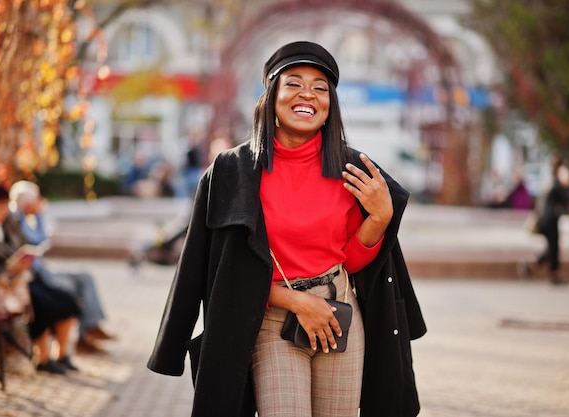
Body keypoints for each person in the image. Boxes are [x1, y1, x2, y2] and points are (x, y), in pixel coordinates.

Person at [147, 41, 426, 417]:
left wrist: (378, 219)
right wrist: (296, 301)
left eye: (320, 87)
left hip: (339, 315)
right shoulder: (234, 171)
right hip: (269, 320)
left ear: (330, 106)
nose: (307, 93)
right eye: (293, 83)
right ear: (271, 95)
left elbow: (355, 261)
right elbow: (213, 268)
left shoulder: (354, 170)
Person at [0, 183, 80, 374]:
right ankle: (43, 358)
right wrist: (8, 268)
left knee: (67, 299)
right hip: (4, 285)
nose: (3, 212)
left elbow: (27, 243)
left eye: (5, 207)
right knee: (42, 304)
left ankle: (63, 354)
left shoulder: (8, 221)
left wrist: (23, 258)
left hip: (24, 277)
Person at [9, 180, 115, 353]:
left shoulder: (27, 218)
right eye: (37, 199)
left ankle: (90, 326)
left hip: (43, 271)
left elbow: (43, 242)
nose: (40, 202)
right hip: (36, 275)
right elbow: (40, 241)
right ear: (28, 202)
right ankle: (85, 334)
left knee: (85, 277)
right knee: (70, 292)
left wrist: (38, 216)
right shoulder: (16, 219)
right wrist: (40, 216)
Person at [523, 153, 569, 284]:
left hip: (546, 218)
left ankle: (531, 267)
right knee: (554, 248)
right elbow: (566, 200)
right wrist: (567, 184)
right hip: (550, 218)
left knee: (551, 248)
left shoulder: (549, 180)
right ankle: (552, 274)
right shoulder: (557, 182)